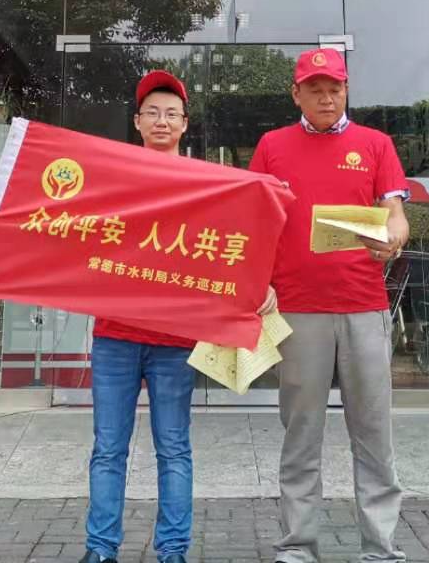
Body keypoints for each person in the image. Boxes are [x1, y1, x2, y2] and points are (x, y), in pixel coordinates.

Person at [79, 69, 277, 563]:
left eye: (171, 114)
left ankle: (173, 550)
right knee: (108, 449)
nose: (162, 121)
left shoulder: (205, 184)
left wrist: (259, 284)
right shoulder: (112, 176)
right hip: (114, 336)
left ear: (185, 124)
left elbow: (233, 243)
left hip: (175, 340)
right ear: (137, 122)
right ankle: (100, 549)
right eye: (152, 113)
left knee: (173, 448)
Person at [249, 48, 410, 563]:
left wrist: (395, 238)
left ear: (346, 91)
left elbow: (395, 213)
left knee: (374, 432)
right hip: (297, 310)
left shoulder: (375, 144)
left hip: (364, 306)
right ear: (295, 94)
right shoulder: (272, 146)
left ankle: (380, 549)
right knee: (301, 433)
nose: (326, 97)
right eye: (314, 89)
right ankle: (297, 546)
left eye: (334, 88)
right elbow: (255, 221)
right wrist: (256, 283)